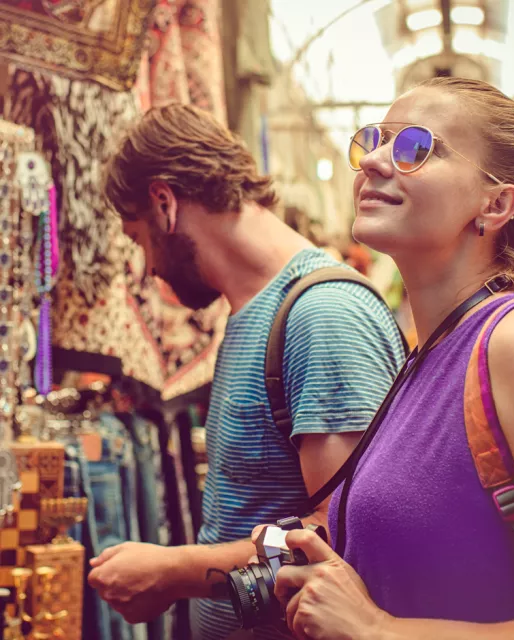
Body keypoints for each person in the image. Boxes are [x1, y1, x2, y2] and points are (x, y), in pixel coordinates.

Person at [267, 77, 514, 639]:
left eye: (416, 147)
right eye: (374, 139)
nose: (372, 160)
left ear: (495, 203)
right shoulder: (431, 351)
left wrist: (379, 631)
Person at [87, 103, 406, 640]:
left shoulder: (321, 315)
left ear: (164, 204)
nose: (147, 266)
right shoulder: (252, 309)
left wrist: (170, 573)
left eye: (138, 238)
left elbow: (343, 537)